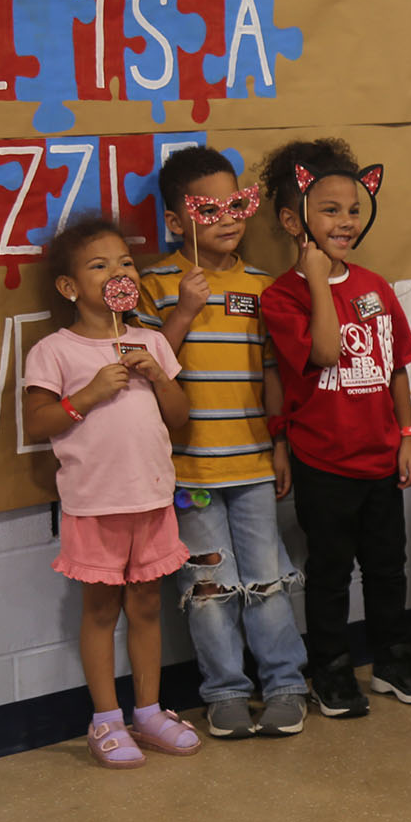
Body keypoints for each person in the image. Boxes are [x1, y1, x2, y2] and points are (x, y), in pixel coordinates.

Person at [259, 138, 411, 718]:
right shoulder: (281, 298)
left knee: (388, 567)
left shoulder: (375, 287)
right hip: (324, 463)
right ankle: (331, 670)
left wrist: (406, 438)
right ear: (294, 221)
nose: (346, 221)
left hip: (381, 457)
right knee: (330, 573)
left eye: (354, 209)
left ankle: (393, 658)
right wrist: (317, 280)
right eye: (330, 210)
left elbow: (396, 369)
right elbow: (326, 353)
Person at [139, 146, 310, 740]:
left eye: (237, 204)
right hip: (190, 475)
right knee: (207, 588)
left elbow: (271, 372)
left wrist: (280, 446)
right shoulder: (155, 285)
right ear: (175, 221)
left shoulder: (260, 286)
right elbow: (148, 369)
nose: (228, 219)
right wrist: (185, 312)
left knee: (268, 578)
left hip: (254, 464)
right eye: (208, 210)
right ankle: (225, 691)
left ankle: (285, 684)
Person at [23, 216, 198, 769]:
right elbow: (36, 422)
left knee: (146, 606)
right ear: (69, 286)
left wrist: (160, 376)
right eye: (99, 265)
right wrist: (90, 394)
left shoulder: (150, 340)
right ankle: (105, 719)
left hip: (152, 498)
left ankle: (149, 711)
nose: (117, 272)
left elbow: (180, 418)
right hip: (94, 504)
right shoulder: (54, 351)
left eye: (125, 262)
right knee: (100, 611)